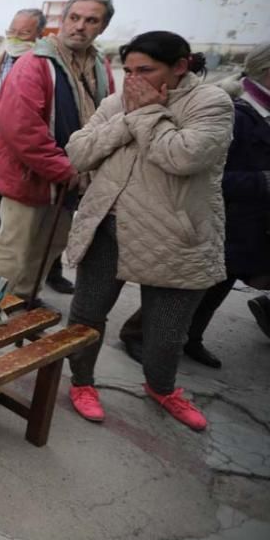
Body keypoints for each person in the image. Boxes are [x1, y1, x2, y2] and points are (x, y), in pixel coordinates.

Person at [61, 31, 232, 430]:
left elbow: (181, 155)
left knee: (166, 330)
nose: (134, 80)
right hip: (108, 224)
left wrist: (145, 114)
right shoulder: (118, 102)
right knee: (87, 314)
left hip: (174, 233)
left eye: (146, 70)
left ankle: (162, 387)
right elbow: (79, 152)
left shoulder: (211, 104)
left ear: (180, 66)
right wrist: (130, 116)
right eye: (129, 70)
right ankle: (82, 382)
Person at [118, 42, 270, 365]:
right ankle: (138, 334)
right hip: (213, 215)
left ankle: (191, 338)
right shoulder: (236, 113)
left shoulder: (260, 112)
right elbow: (208, 174)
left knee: (215, 288)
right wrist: (263, 182)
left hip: (245, 224)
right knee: (180, 289)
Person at [0, 0, 116, 304]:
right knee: (14, 250)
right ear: (62, 21)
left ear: (102, 27)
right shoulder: (35, 64)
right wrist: (64, 169)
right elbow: (22, 129)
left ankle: (22, 301)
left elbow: (110, 114)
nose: (80, 27)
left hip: (72, 181)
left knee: (50, 245)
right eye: (74, 18)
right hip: (31, 178)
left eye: (91, 20)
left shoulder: (100, 66)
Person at [0, 8, 45, 260]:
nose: (16, 38)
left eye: (24, 33)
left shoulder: (43, 67)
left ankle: (46, 270)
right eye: (12, 32)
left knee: (28, 220)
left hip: (26, 155)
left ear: (39, 35)